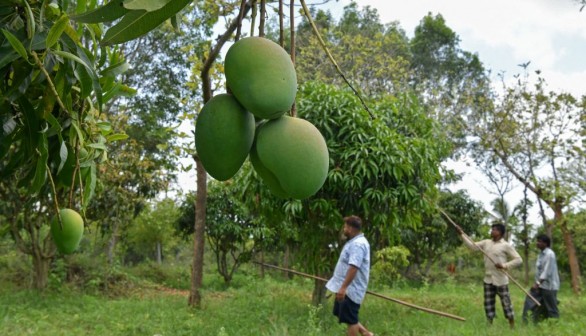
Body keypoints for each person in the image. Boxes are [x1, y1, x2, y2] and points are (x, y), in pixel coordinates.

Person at [456, 223, 522, 328]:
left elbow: (518, 260)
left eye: (494, 230)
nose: (491, 231)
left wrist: (504, 265)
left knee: (506, 304)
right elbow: (472, 246)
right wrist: (462, 234)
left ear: (500, 232)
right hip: (488, 279)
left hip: (501, 280)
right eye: (492, 229)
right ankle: (489, 325)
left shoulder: (505, 245)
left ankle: (512, 325)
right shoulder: (486, 242)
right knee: (488, 304)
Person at [326, 215, 373, 336]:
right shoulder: (354, 242)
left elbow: (354, 267)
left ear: (351, 229)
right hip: (346, 287)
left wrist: (343, 288)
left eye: (345, 227)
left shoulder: (358, 244)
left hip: (351, 289)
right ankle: (366, 333)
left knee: (351, 320)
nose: (344, 229)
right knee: (343, 313)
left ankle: (365, 333)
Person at [522, 234, 560, 324]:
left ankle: (555, 325)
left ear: (546, 243)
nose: (537, 243)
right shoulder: (541, 254)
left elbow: (547, 272)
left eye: (540, 241)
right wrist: (537, 283)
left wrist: (537, 283)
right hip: (540, 285)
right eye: (537, 241)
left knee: (551, 307)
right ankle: (532, 322)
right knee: (533, 302)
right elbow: (539, 271)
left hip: (549, 286)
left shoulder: (550, 254)